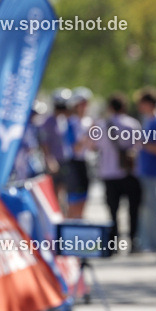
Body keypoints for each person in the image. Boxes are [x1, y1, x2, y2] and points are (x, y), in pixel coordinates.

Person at [96, 94, 143, 251]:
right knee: (133, 210)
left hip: (109, 173)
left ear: (110, 107)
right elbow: (139, 147)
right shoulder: (132, 124)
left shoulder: (102, 125)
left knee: (113, 211)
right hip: (130, 173)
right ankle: (133, 241)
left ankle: (112, 244)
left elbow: (94, 146)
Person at [135, 89, 156, 253]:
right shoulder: (149, 120)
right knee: (147, 209)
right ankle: (147, 241)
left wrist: (143, 144)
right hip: (146, 171)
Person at [37, 88, 74, 211]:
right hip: (54, 161)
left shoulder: (63, 120)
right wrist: (49, 159)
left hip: (64, 159)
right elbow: (44, 143)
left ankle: (63, 212)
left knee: (64, 189)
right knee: (55, 189)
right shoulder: (48, 122)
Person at [65, 87, 94, 218]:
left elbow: (93, 146)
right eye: (81, 104)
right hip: (73, 164)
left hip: (86, 162)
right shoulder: (71, 122)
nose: (84, 107)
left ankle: (79, 223)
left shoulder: (89, 122)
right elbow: (74, 147)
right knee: (73, 199)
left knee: (84, 197)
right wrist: (86, 136)